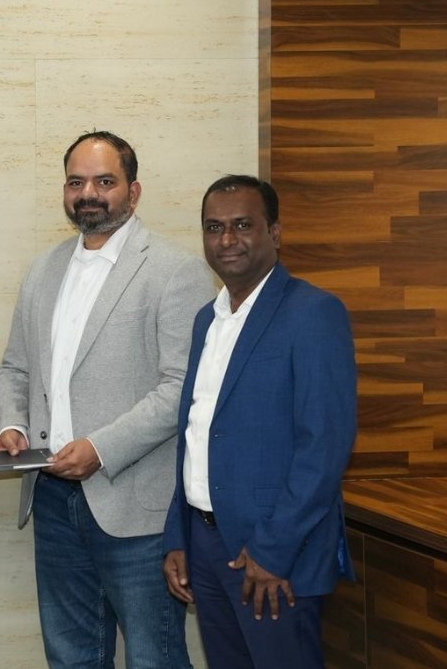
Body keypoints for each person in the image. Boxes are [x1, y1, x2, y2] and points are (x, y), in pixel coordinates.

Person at [0, 131, 215, 668]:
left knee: (154, 658)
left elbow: (181, 388)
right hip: (52, 499)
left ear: (133, 192)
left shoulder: (175, 270)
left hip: (136, 508)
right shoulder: (44, 269)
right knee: (71, 658)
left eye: (104, 181)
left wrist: (100, 448)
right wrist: (11, 425)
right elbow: (15, 368)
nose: (88, 193)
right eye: (76, 182)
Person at [162, 174, 357, 668]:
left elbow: (323, 448)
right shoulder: (206, 320)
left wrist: (273, 549)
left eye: (242, 225)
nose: (227, 239)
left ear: (275, 233)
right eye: (214, 227)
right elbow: (197, 434)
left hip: (273, 555)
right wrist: (178, 537)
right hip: (205, 545)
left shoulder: (313, 313)